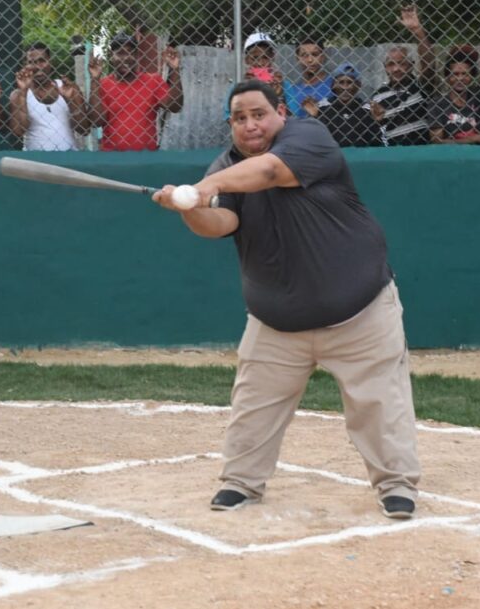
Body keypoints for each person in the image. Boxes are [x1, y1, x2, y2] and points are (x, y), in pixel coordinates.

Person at [152, 79, 421, 519]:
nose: (250, 124)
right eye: (239, 118)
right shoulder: (226, 166)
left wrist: (202, 187)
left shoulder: (307, 137)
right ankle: (241, 482)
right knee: (253, 409)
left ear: (281, 113)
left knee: (380, 405)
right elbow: (219, 224)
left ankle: (397, 486)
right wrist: (192, 208)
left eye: (258, 114)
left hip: (360, 312)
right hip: (275, 320)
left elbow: (270, 173)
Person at [88, 33, 183, 152]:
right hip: (111, 157)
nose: (126, 57)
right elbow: (95, 121)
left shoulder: (153, 81)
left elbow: (175, 106)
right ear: (112, 56)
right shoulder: (102, 84)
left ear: (137, 56)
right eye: (120, 53)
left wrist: (175, 69)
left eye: (130, 52)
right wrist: (94, 79)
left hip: (145, 157)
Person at [429, 0, 480, 145]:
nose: (460, 78)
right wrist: (474, 138)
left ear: (471, 77)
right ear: (448, 77)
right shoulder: (438, 104)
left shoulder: (477, 97)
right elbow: (436, 141)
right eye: (455, 74)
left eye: (465, 74)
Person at [370, 5, 436, 147]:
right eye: (391, 64)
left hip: (420, 149)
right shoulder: (377, 96)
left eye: (402, 63)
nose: (397, 69)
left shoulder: (420, 86)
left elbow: (429, 64)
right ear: (385, 68)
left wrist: (417, 30)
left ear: (411, 65)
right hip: (391, 152)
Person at [9, 41, 88, 151]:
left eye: (42, 61)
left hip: (69, 157)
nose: (37, 66)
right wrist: (23, 92)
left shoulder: (68, 88)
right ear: (25, 66)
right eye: (31, 62)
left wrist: (70, 101)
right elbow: (18, 131)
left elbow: (84, 129)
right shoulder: (18, 94)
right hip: (36, 160)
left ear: (50, 62)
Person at [303, 63, 381, 147]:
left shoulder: (367, 109)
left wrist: (377, 122)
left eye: (349, 82)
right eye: (341, 82)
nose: (345, 87)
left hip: (360, 157)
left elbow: (377, 142)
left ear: (358, 85)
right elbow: (312, 138)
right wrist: (314, 117)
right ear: (333, 85)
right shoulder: (322, 107)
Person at [283, 37, 332, 119]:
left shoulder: (335, 85)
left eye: (315, 54)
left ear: (322, 57)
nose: (310, 60)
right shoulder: (292, 91)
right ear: (297, 58)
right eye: (304, 55)